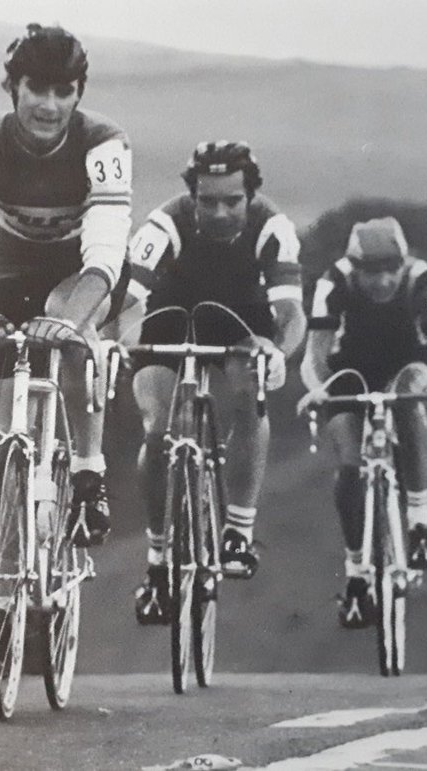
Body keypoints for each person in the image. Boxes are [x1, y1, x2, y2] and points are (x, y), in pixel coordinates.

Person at [0, 23, 133, 672]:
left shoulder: (104, 142)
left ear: (78, 93)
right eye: (36, 89)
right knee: (0, 437)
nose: (49, 105)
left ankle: (87, 471)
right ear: (12, 88)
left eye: (63, 91)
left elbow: (107, 253)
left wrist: (75, 321)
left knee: (68, 331)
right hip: (6, 274)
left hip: (80, 275)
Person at [131, 141, 307, 626]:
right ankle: (158, 561)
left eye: (232, 200)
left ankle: (238, 531)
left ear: (251, 195)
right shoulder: (163, 224)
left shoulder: (273, 227)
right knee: (156, 426)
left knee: (250, 391)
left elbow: (291, 311)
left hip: (240, 320)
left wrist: (277, 349)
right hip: (169, 316)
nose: (220, 211)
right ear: (191, 196)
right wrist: (111, 342)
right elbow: (129, 298)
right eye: (207, 201)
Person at [299, 216, 427, 629]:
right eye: (371, 272)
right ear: (354, 268)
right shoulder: (334, 283)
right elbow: (314, 355)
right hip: (348, 371)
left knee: (413, 396)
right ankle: (357, 574)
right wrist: (318, 388)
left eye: (389, 271)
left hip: (406, 364)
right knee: (349, 466)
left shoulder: (423, 280)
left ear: (404, 264)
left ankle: (419, 522)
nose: (381, 282)